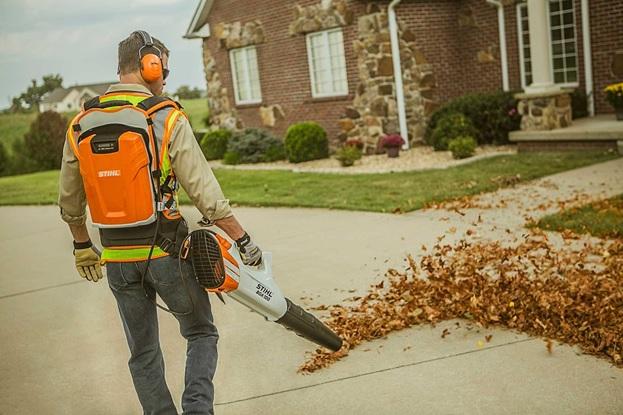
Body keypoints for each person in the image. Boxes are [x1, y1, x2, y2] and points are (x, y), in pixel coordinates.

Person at [58, 31, 261, 414]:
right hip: (167, 251)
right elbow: (204, 190)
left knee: (143, 352)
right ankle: (197, 409)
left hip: (117, 259)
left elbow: (70, 200)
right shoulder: (165, 116)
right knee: (201, 331)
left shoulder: (80, 123)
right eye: (164, 67)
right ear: (149, 64)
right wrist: (242, 238)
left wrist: (82, 244)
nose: (165, 76)